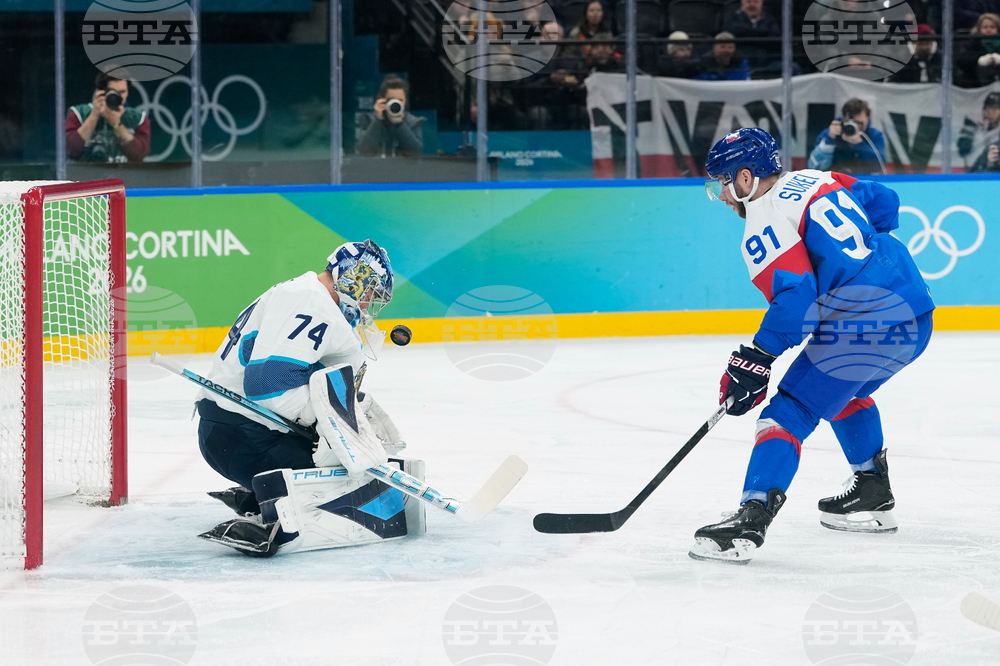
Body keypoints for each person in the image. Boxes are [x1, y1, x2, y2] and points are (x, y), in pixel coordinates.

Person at [689, 128, 934, 564]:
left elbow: (796, 301)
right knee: (842, 393)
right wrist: (856, 263)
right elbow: (885, 201)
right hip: (915, 312)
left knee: (787, 414)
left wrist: (757, 357)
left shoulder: (762, 223)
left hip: (863, 324)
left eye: (722, 183)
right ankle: (872, 489)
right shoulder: (815, 177)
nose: (722, 196)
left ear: (745, 178)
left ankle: (751, 517)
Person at [195, 240, 422, 557]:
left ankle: (259, 497)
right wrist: (337, 423)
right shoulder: (312, 304)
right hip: (244, 437)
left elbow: (296, 376)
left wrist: (349, 406)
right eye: (370, 293)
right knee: (355, 478)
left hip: (235, 432)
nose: (368, 304)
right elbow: (268, 384)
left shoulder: (306, 295)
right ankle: (270, 513)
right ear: (357, 278)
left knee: (351, 464)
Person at [65, 72, 150, 163]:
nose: (118, 96)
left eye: (122, 92)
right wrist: (94, 115)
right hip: (85, 174)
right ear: (101, 91)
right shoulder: (78, 114)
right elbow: (71, 151)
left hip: (124, 175)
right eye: (113, 91)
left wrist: (116, 124)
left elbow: (139, 156)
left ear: (128, 92)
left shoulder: (138, 118)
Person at [807, 98, 886, 174]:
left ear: (868, 118)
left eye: (859, 123)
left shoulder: (874, 135)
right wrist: (829, 141)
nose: (856, 127)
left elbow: (879, 166)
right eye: (851, 122)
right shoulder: (830, 134)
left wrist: (859, 144)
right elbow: (814, 167)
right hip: (834, 181)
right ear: (843, 118)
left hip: (864, 181)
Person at [356, 75, 425, 157]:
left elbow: (416, 153)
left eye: (400, 100)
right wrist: (378, 120)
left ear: (405, 101)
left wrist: (399, 124)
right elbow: (363, 151)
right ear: (382, 100)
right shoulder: (369, 120)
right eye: (391, 100)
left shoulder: (414, 122)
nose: (395, 104)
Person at [722, 0, 781, 70]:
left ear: (761, 3)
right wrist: (762, 34)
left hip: (767, 62)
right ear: (742, 3)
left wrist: (750, 34)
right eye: (748, 2)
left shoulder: (769, 19)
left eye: (756, 2)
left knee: (793, 68)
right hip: (741, 62)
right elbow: (733, 32)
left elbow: (775, 37)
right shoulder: (732, 18)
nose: (752, 5)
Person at [958, 91, 1000, 172]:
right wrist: (965, 140)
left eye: (994, 111)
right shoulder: (974, 118)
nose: (991, 114)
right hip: (977, 161)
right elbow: (963, 147)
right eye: (988, 110)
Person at [957, 13, 1000, 87]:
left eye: (992, 27)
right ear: (979, 29)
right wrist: (979, 60)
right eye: (985, 27)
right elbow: (961, 60)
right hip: (976, 83)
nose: (988, 30)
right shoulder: (973, 42)